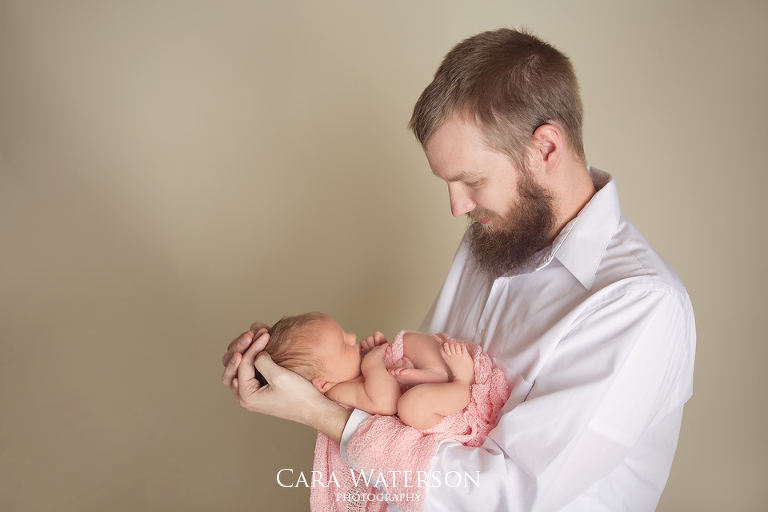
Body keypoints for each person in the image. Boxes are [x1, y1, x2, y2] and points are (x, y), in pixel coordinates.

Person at [222, 28, 696, 511]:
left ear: (546, 149)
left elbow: (502, 497)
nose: (457, 207)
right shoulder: (492, 236)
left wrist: (318, 411)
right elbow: (417, 407)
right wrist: (285, 366)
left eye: (471, 180)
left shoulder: (639, 304)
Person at [259, 311, 477, 429]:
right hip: (428, 415)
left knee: (407, 339)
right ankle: (462, 381)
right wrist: (372, 362)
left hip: (423, 385)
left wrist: (385, 351)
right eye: (344, 345)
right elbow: (386, 401)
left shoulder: (345, 373)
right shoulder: (338, 391)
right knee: (411, 405)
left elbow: (386, 372)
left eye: (344, 333)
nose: (352, 337)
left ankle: (436, 371)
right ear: (323, 383)